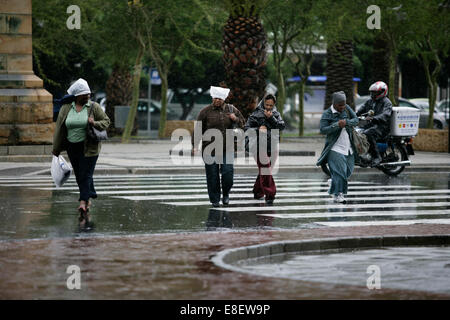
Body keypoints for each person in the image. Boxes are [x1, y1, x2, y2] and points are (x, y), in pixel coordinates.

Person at [52, 78, 110, 222]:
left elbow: (106, 121)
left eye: (89, 94)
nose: (88, 97)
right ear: (77, 95)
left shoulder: (93, 107)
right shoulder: (66, 108)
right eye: (85, 95)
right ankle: (90, 194)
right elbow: (59, 129)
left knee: (86, 174)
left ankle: (83, 202)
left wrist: (94, 122)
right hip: (72, 147)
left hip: (89, 147)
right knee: (80, 175)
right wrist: (56, 149)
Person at [192, 86, 245, 207]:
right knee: (212, 175)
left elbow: (244, 123)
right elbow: (198, 129)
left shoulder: (231, 109)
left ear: (224, 99)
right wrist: (195, 146)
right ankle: (215, 199)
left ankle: (226, 193)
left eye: (220, 99)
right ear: (212, 98)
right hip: (210, 149)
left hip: (228, 148)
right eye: (215, 98)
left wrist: (235, 118)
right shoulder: (205, 112)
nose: (217, 101)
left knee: (228, 173)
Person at [316, 91, 359, 204]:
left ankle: (333, 181)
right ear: (334, 104)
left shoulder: (347, 108)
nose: (342, 107)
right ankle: (338, 195)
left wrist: (346, 122)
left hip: (348, 147)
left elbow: (356, 120)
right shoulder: (327, 113)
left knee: (347, 172)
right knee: (340, 173)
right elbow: (323, 129)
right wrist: (336, 125)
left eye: (344, 104)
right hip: (334, 148)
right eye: (340, 105)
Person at [244, 94, 285, 204]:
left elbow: (281, 126)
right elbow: (246, 128)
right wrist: (258, 129)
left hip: (272, 145)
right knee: (265, 169)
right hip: (257, 146)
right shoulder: (255, 114)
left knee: (266, 170)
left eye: (271, 105)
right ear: (263, 103)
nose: (268, 107)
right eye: (267, 105)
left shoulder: (276, 114)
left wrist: (271, 118)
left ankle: (258, 192)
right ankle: (270, 194)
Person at [356, 81, 393, 167]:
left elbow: (386, 114)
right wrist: (352, 116)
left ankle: (377, 157)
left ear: (382, 91)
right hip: (371, 125)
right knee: (357, 132)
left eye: (375, 92)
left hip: (382, 127)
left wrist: (374, 118)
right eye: (372, 92)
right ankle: (363, 154)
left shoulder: (387, 102)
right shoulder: (370, 101)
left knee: (368, 133)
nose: (373, 94)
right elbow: (361, 110)